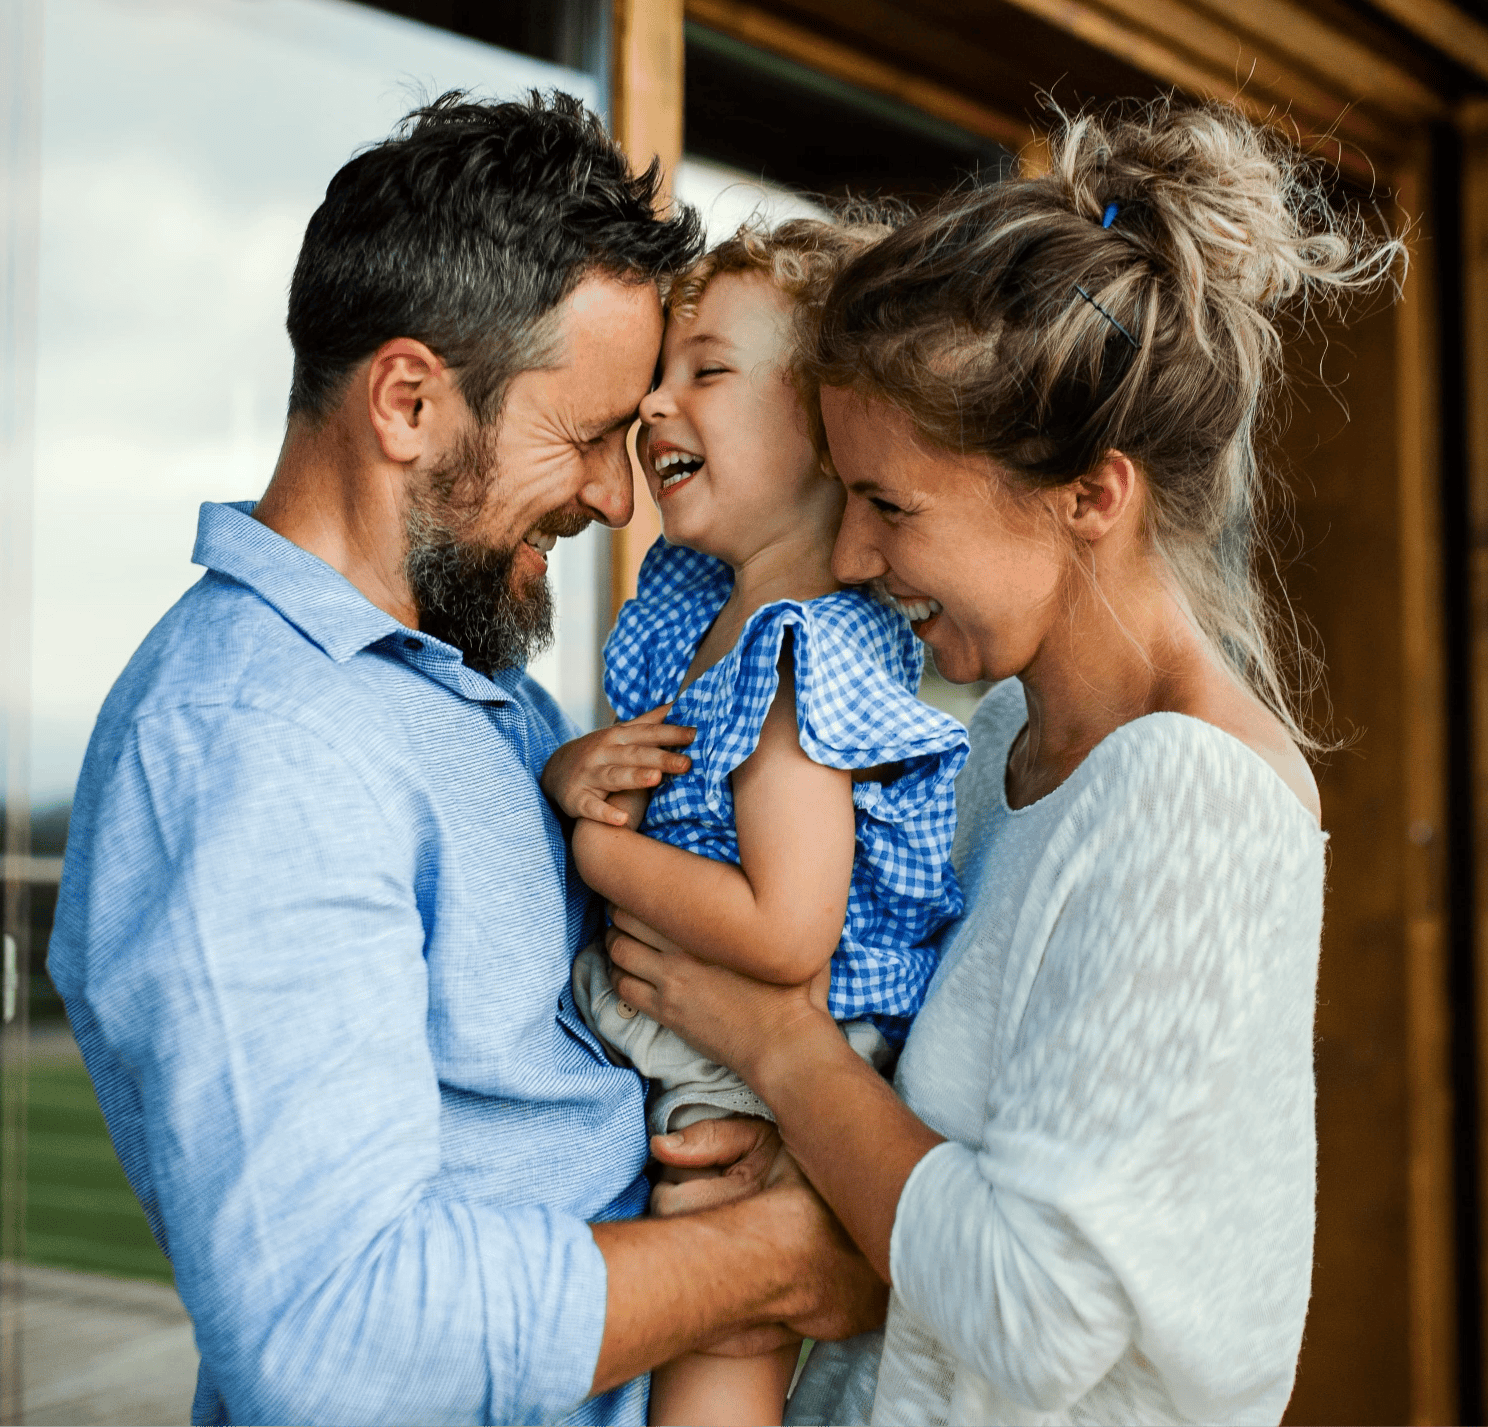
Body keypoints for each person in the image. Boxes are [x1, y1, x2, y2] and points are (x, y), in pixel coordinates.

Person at [46, 92, 883, 1427]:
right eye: (588, 433)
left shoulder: (475, 691)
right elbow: (335, 1338)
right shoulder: (257, 752)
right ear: (407, 402)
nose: (617, 496)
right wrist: (778, 1258)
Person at [606, 98, 1399, 1425]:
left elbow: (1035, 1317)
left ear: (1092, 495)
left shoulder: (1189, 800)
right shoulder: (988, 755)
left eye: (891, 509)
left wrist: (776, 1049)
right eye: (844, 499)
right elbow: (911, 1200)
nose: (853, 561)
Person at [544, 221, 969, 1427]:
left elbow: (787, 930)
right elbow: (656, 765)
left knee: (714, 1315)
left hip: (755, 1062)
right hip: (703, 1030)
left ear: (825, 431)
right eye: (658, 375)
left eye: (706, 372)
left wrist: (595, 849)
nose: (653, 405)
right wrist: (580, 767)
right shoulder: (702, 614)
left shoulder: (798, 652)